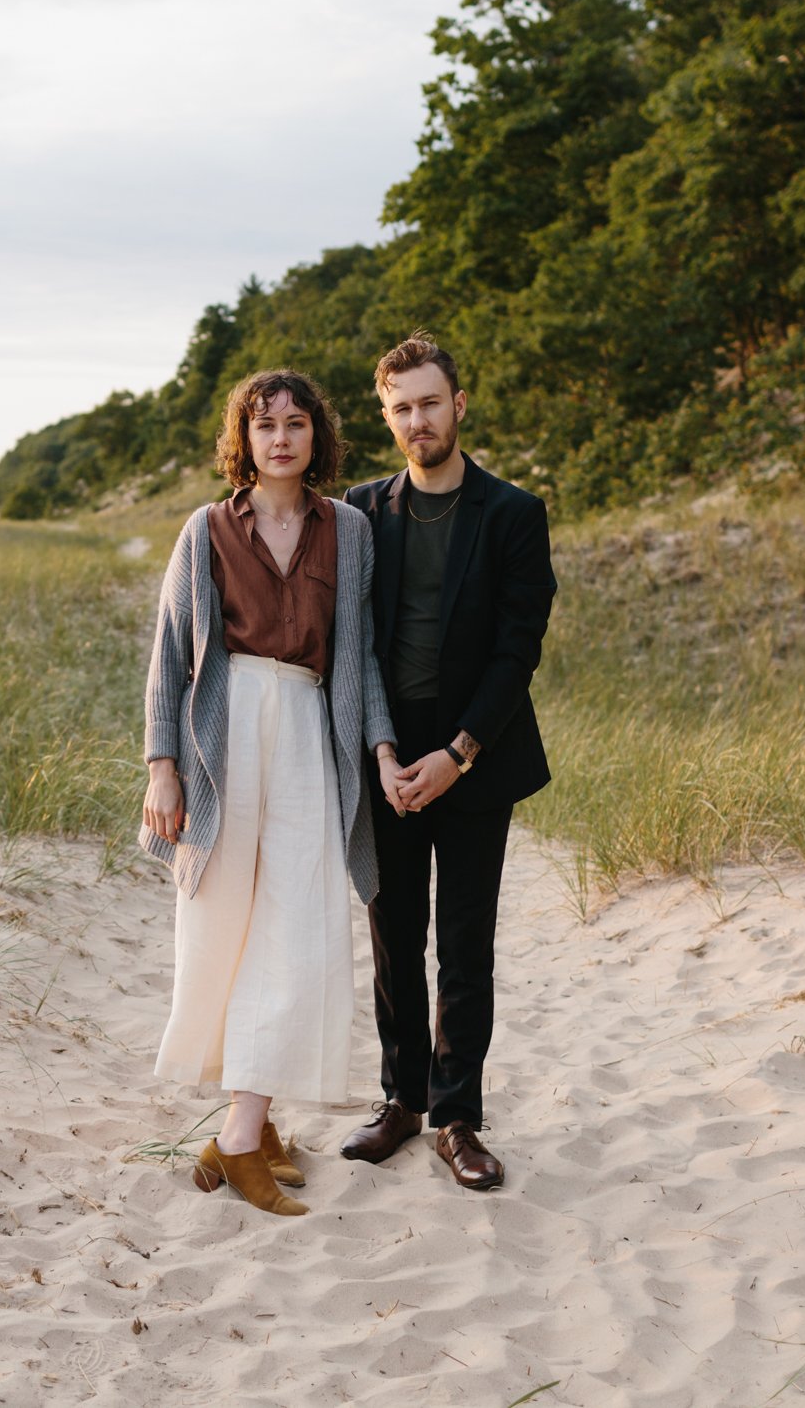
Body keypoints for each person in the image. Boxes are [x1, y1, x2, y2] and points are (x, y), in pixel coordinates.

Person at [141, 368, 399, 1217]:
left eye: (295, 423)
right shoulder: (206, 527)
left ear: (317, 436)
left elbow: (358, 654)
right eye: (264, 425)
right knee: (227, 926)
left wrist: (382, 749)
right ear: (243, 440)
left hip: (306, 726)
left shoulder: (350, 529)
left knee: (299, 927)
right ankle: (248, 1132)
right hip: (224, 731)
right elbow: (172, 650)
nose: (281, 437)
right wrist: (163, 765)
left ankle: (244, 1133)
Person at [341, 334, 557, 1190]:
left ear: (458, 404)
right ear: (386, 416)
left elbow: (518, 650)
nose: (417, 420)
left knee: (464, 944)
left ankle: (457, 1114)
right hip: (389, 754)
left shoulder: (512, 513)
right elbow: (353, 643)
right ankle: (400, 1099)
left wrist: (458, 754)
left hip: (478, 751)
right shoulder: (361, 511)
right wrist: (387, 750)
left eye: (430, 402)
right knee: (394, 939)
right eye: (401, 408)